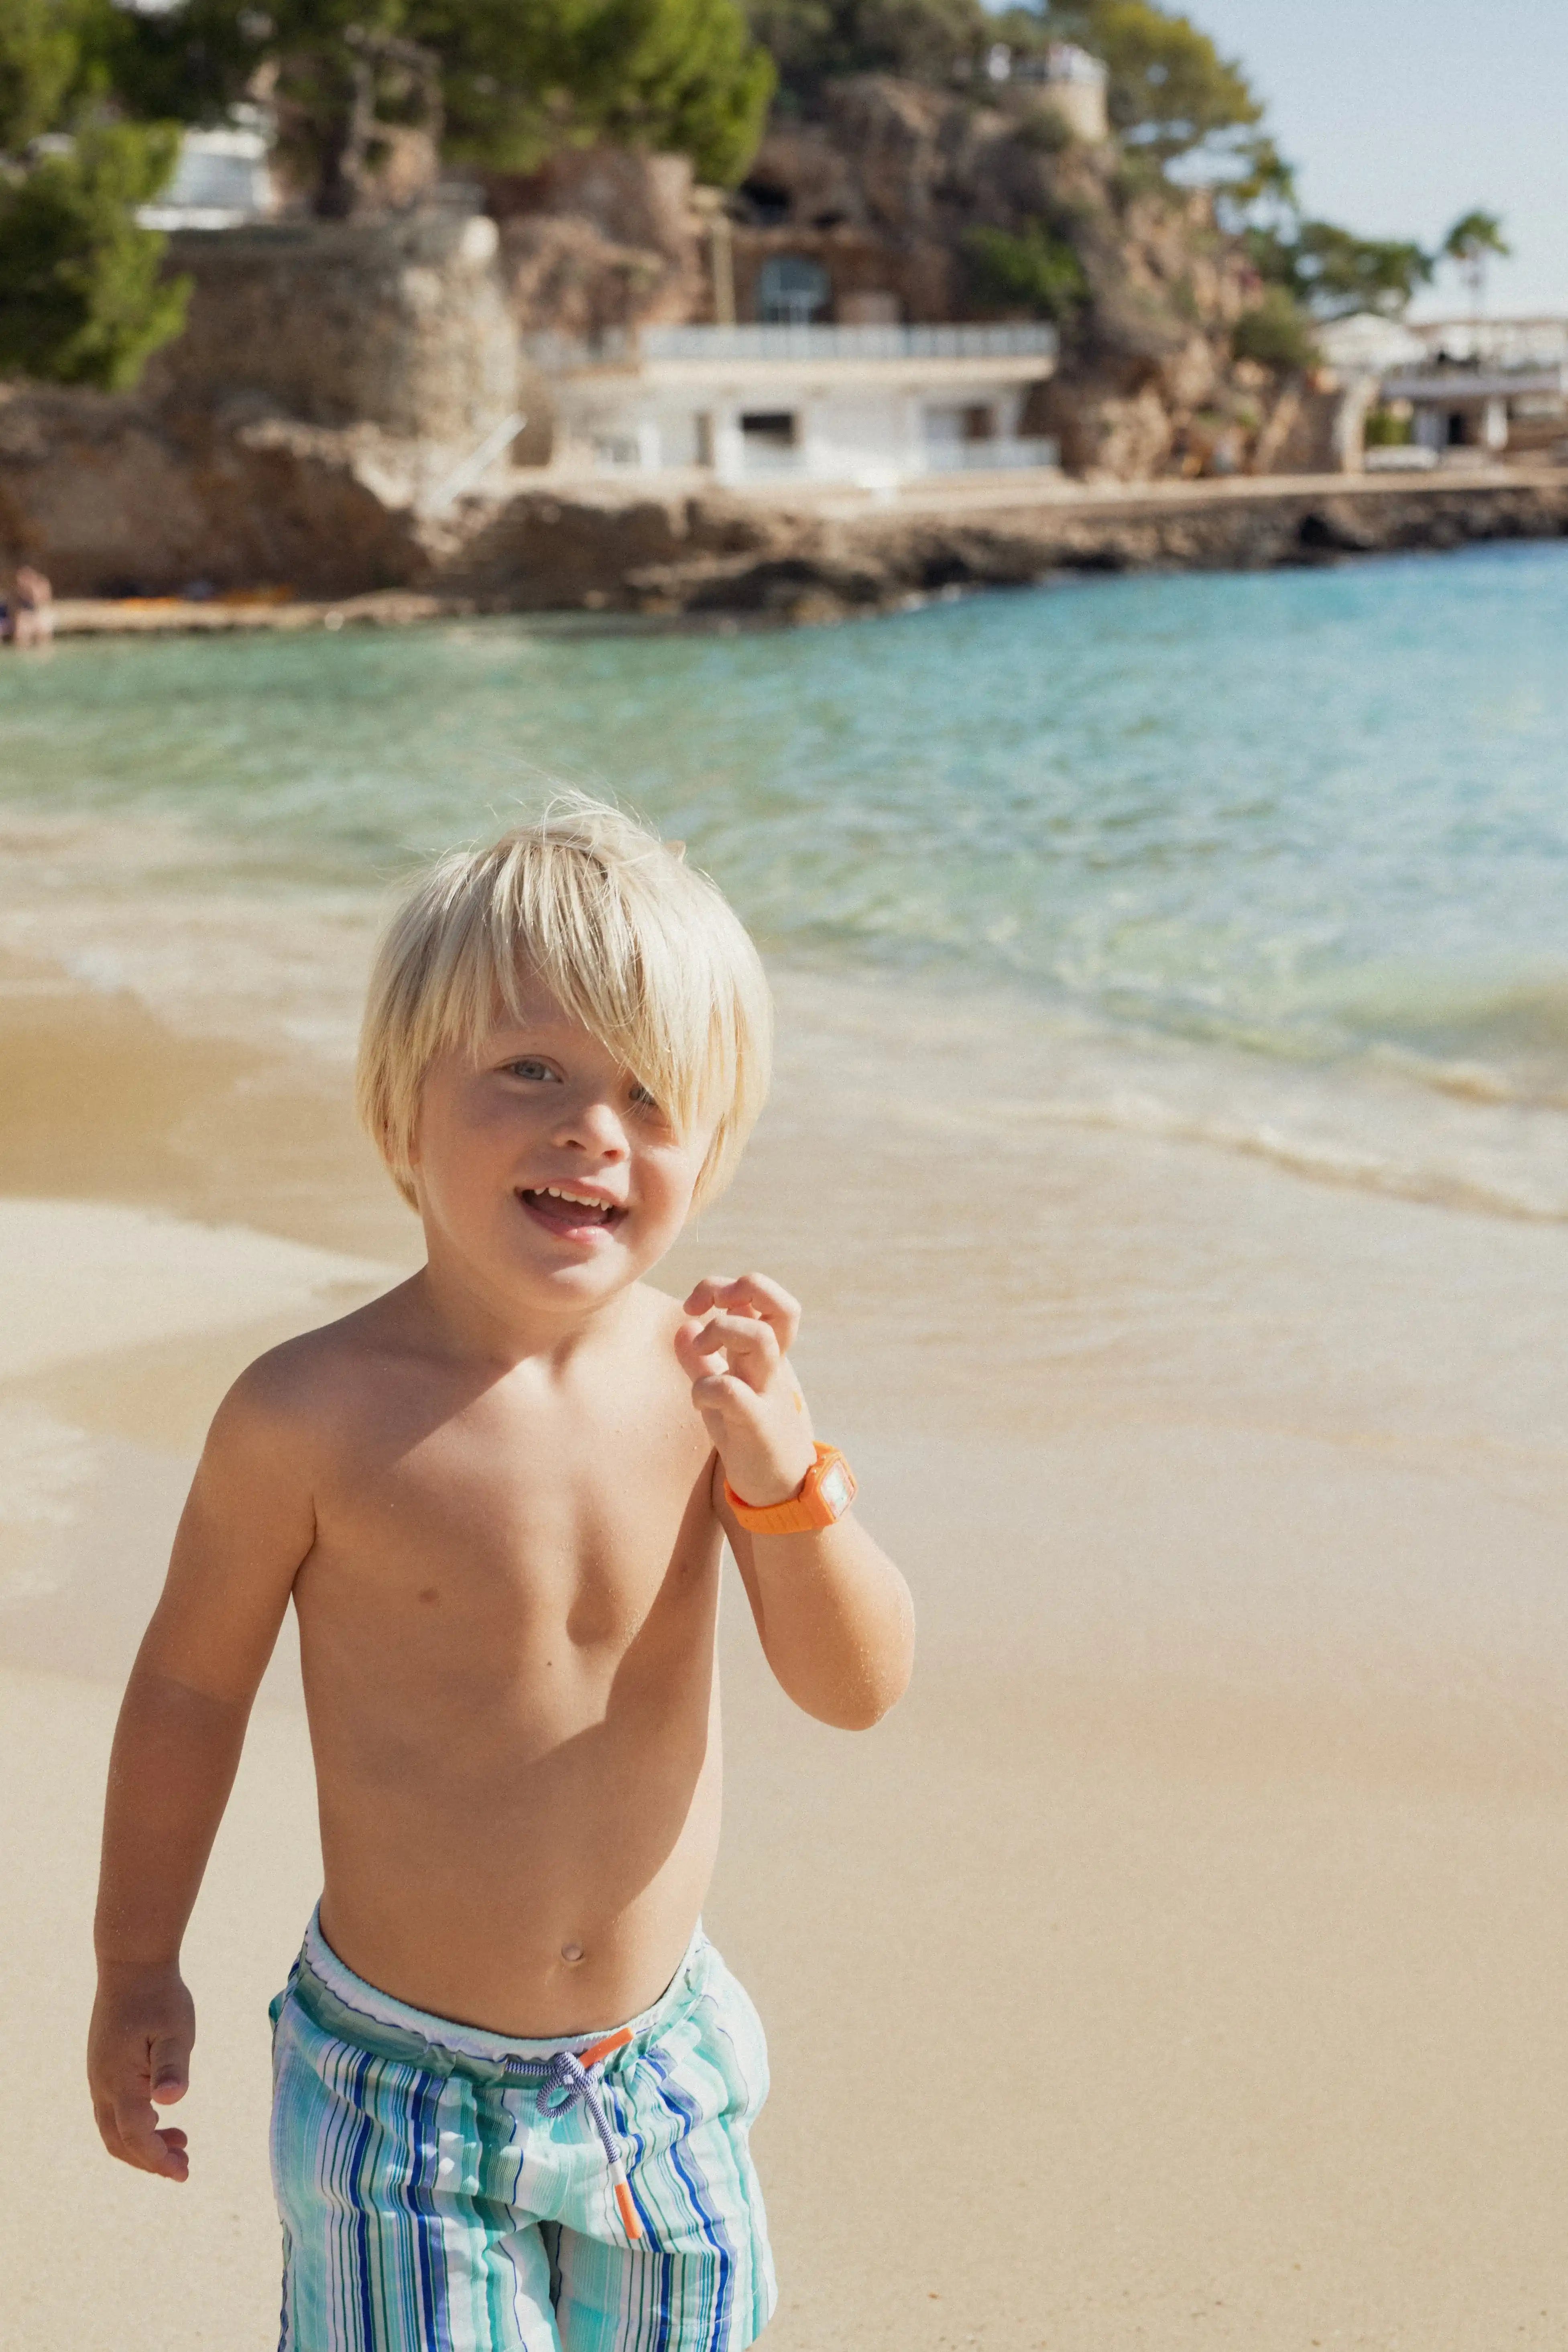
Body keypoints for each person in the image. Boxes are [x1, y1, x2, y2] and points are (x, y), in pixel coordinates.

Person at [87, 798, 915, 2352]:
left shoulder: (710, 1397)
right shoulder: (307, 1412)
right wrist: (136, 1957)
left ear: (708, 1149)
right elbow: (189, 1686)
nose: (591, 1126)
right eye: (529, 1069)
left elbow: (855, 1685)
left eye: (649, 1095)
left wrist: (784, 1478)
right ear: (404, 1108)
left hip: (657, 2071)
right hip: (398, 2092)